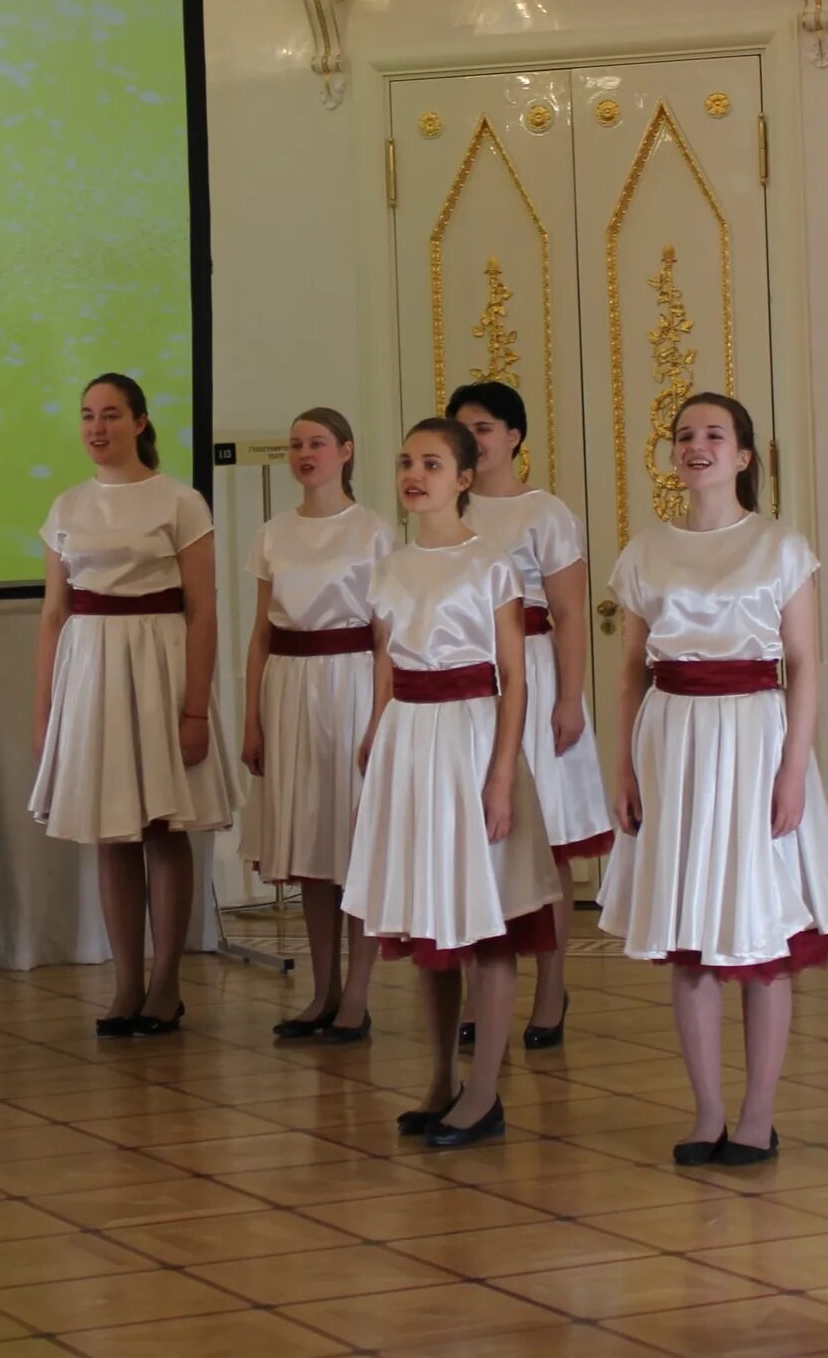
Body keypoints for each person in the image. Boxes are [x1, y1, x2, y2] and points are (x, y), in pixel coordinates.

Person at [600, 393, 828, 1167]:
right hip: (673, 739)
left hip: (754, 738)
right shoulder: (646, 548)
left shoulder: (781, 547)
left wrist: (793, 771)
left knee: (758, 927)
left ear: (744, 455)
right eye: (685, 435)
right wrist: (623, 764)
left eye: (715, 434)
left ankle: (758, 1111)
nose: (697, 445)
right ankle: (707, 1108)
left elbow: (807, 664)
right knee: (689, 932)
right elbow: (628, 673)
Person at [343, 418, 560, 1148]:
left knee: (485, 917)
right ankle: (439, 1077)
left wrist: (500, 775)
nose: (415, 473)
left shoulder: (489, 564)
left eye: (432, 462)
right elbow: (385, 662)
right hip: (410, 741)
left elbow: (515, 675)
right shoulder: (389, 564)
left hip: (470, 740)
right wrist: (376, 731)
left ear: (463, 479)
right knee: (424, 914)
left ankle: (485, 1090)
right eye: (406, 460)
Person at [30, 373, 238, 1036]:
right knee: (110, 828)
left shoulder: (179, 500)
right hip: (91, 667)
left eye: (111, 414)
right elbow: (54, 614)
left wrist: (196, 709)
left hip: (159, 662)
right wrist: (44, 710)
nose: (97, 427)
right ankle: (124, 982)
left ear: (141, 422)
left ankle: (167, 980)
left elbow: (204, 610)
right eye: (88, 415)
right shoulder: (67, 505)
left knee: (161, 825)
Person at [447, 382, 607, 1049]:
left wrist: (569, 697)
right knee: (472, 841)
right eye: (462, 428)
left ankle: (549, 988)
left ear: (514, 435)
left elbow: (569, 613)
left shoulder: (545, 511)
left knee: (545, 840)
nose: (473, 440)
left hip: (533, 676)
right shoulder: (444, 509)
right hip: (463, 685)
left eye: (483, 427)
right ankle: (479, 995)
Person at [241, 409, 396, 1043]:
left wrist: (380, 718)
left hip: (353, 683)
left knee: (352, 843)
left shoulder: (374, 532)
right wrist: (251, 715)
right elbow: (260, 632)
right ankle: (322, 990)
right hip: (291, 687)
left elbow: (389, 636)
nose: (305, 454)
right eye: (296, 444)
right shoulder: (274, 533)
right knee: (309, 845)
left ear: (346, 452)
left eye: (318, 443)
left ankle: (357, 993)